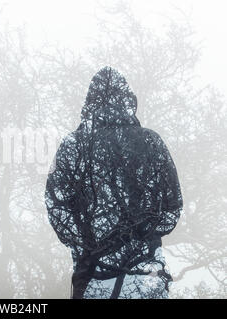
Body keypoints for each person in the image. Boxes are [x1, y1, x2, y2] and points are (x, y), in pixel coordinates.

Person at [45, 67, 183, 299]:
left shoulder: (73, 145)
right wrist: (143, 234)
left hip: (91, 278)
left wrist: (88, 245)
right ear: (127, 99)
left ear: (90, 100)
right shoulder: (151, 142)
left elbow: (56, 205)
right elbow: (172, 207)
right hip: (146, 274)